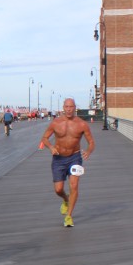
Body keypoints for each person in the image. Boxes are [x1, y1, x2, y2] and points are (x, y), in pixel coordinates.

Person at [40, 97, 95, 228]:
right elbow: (44, 138)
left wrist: (88, 151)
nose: (69, 109)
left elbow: (91, 142)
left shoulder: (82, 124)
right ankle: (66, 199)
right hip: (58, 158)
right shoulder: (56, 123)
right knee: (58, 189)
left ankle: (69, 216)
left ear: (75, 108)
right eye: (67, 107)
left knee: (74, 186)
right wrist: (51, 147)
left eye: (71, 107)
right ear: (63, 108)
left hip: (75, 157)